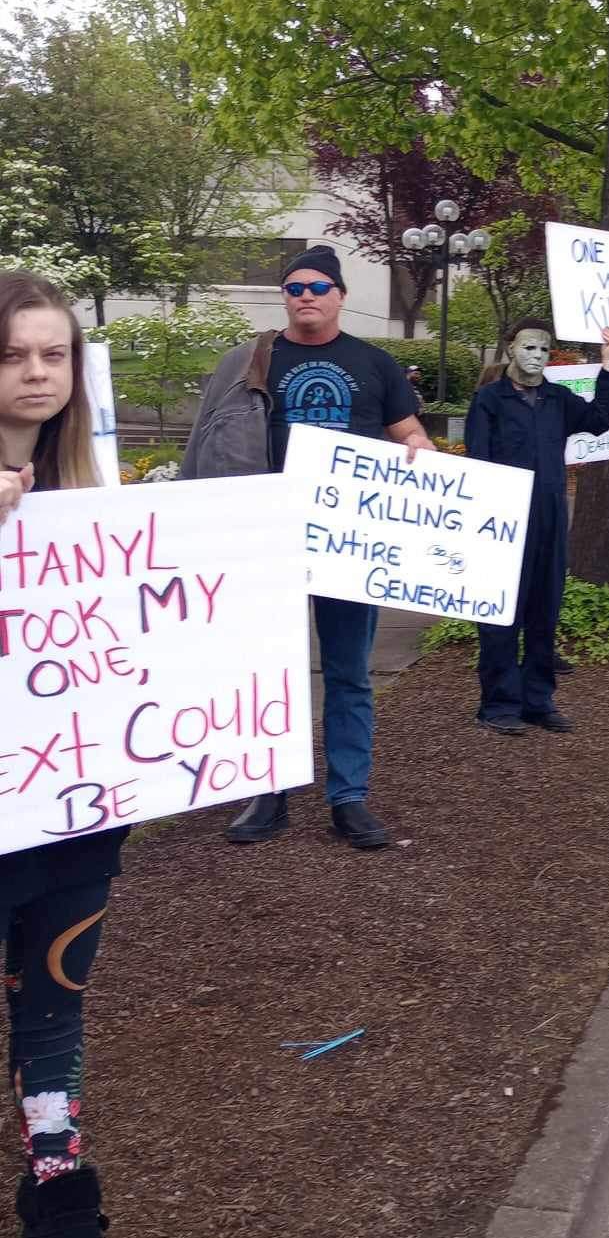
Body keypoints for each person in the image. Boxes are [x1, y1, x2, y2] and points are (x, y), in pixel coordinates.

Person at [180, 245, 432, 850]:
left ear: (341, 294)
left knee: (349, 674)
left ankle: (349, 798)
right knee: (271, 673)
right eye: (294, 288)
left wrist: (420, 443)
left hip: (351, 545)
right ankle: (269, 793)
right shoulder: (254, 361)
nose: (307, 296)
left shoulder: (375, 364)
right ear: (285, 298)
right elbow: (214, 439)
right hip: (272, 542)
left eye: (319, 286)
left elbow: (408, 430)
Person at [0, 272, 129, 1238]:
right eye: (13, 355)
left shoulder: (95, 490)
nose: (38, 374)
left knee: (54, 1013)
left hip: (74, 805)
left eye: (55, 355)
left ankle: (57, 1204)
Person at [466, 317, 609, 735]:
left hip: (550, 518)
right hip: (503, 522)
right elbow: (477, 461)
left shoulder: (558, 399)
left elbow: (600, 419)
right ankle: (499, 704)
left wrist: (607, 366)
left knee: (544, 611)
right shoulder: (488, 401)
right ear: (511, 348)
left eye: (544, 350)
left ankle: (538, 700)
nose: (536, 356)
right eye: (528, 347)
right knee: (501, 615)